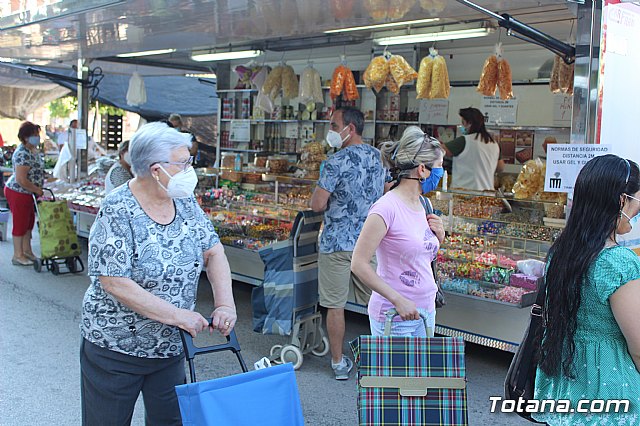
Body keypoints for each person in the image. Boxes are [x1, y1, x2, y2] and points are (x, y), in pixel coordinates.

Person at [80, 122, 237, 425]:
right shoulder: (117, 209)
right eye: (183, 163)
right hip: (116, 349)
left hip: (169, 348)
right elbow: (114, 281)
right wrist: (178, 315)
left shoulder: (185, 202)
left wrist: (225, 304)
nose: (190, 169)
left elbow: (214, 251)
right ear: (156, 169)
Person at [533, 154, 640, 425]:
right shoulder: (618, 262)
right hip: (609, 388)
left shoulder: (562, 252)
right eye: (637, 201)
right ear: (621, 200)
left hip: (564, 384)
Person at [310, 107, 385, 380]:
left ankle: (339, 362)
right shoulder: (380, 159)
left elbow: (318, 204)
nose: (330, 129)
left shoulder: (335, 162)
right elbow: (387, 196)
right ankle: (381, 359)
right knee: (377, 302)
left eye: (333, 124)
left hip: (336, 244)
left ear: (349, 128)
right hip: (369, 243)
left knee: (335, 305)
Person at [352, 126, 445, 337]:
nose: (441, 173)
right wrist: (397, 300)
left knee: (422, 372)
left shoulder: (425, 204)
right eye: (439, 167)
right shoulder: (386, 208)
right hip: (394, 317)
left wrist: (439, 238)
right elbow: (358, 263)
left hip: (426, 312)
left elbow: (417, 256)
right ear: (422, 169)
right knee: (399, 372)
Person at [3, 121, 44, 266]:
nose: (37, 138)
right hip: (19, 192)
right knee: (20, 223)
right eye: (34, 135)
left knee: (28, 223)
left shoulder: (33, 151)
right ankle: (17, 255)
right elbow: (21, 179)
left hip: (28, 193)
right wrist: (36, 189)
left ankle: (27, 251)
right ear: (26, 137)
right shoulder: (22, 153)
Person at [444, 107, 504, 191]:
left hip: (464, 194)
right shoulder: (494, 143)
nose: (461, 126)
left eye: (463, 122)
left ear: (469, 123)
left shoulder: (464, 141)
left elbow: (440, 151)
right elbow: (500, 167)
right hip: (487, 195)